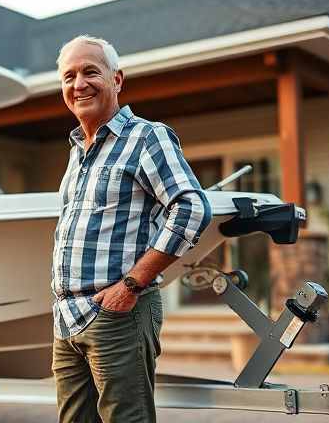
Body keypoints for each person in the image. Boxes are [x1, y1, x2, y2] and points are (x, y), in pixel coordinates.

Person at [51, 35, 212, 422]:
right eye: (69, 77)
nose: (79, 84)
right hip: (66, 318)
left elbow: (191, 207)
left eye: (91, 72)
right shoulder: (77, 152)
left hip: (117, 314)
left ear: (117, 80)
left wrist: (131, 285)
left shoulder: (146, 136)